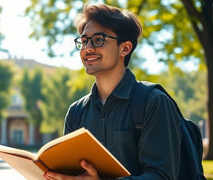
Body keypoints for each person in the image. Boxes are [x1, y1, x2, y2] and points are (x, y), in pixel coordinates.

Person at [43, 3, 181, 180]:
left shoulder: (153, 102)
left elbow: (162, 176)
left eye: (98, 39)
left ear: (125, 48)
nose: (88, 48)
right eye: (84, 41)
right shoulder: (76, 112)